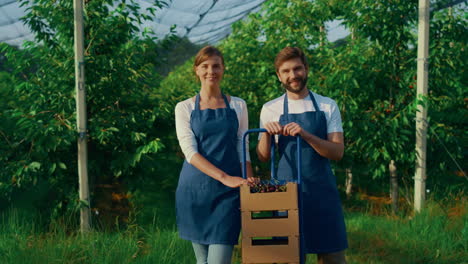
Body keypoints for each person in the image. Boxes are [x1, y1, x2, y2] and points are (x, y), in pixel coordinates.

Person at [256, 47, 348, 264]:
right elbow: (263, 157)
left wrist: (306, 135)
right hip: (285, 194)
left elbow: (337, 152)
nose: (293, 75)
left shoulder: (327, 105)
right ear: (279, 76)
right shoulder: (270, 108)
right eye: (286, 71)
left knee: (333, 257)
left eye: (297, 68)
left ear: (306, 69)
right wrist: (267, 135)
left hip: (322, 192)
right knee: (288, 257)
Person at [175, 45, 254, 264]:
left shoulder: (238, 105)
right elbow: (190, 152)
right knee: (203, 262)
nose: (211, 71)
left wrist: (247, 178)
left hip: (228, 194)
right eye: (205, 66)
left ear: (223, 69)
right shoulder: (184, 108)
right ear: (196, 70)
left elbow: (242, 145)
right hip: (195, 192)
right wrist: (225, 177)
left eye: (216, 66)